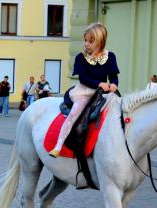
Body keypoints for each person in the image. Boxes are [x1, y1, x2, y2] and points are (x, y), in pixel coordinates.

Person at [49, 22, 119, 158]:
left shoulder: (110, 57)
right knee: (74, 115)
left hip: (102, 94)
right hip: (84, 92)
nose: (87, 44)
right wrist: (99, 83)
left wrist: (114, 85)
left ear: (100, 42)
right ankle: (58, 145)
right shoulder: (81, 58)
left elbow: (113, 76)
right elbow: (83, 78)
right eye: (86, 40)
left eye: (91, 41)